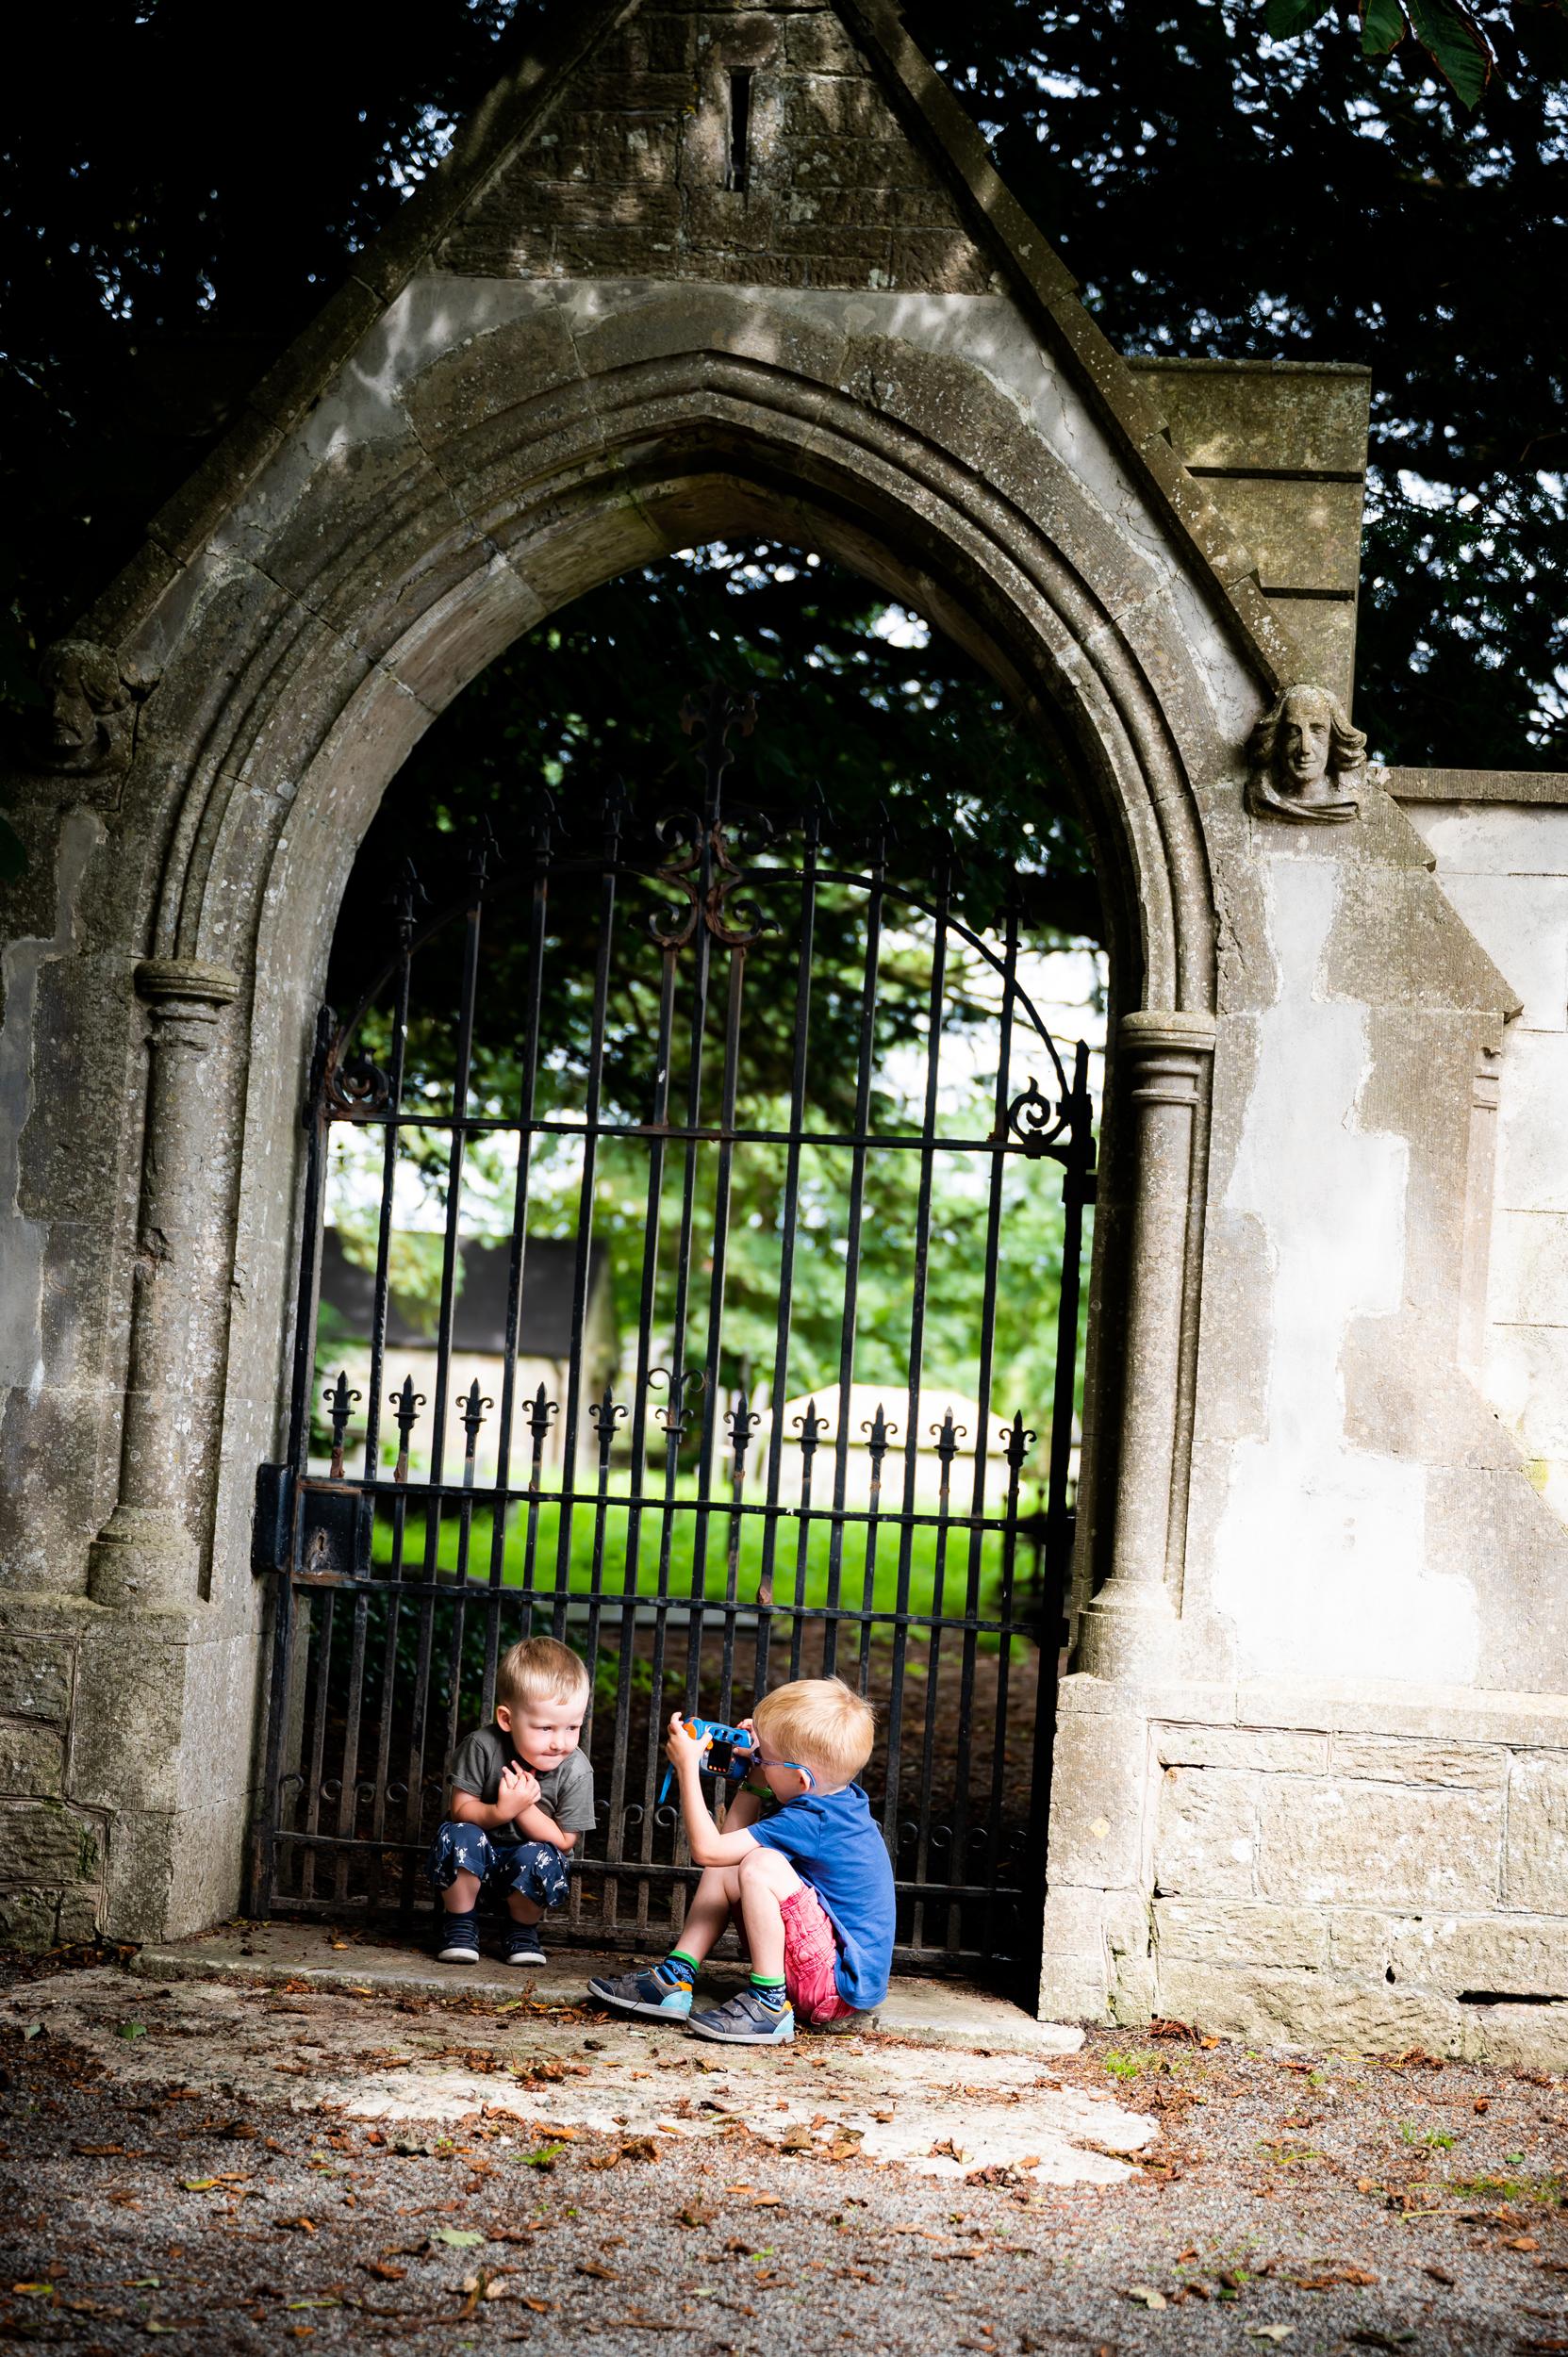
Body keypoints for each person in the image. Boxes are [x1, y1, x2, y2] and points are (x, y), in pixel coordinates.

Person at [587, 1676, 896, 2044]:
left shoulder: (811, 1820)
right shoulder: (836, 1800)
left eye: (765, 1758)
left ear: (800, 1779)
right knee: (742, 1860)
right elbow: (724, 1853)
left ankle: (768, 2005)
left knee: (760, 1863)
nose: (759, 1759)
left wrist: (688, 1768)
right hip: (828, 1974)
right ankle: (675, 1976)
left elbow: (706, 1850)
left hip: (834, 1986)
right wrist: (758, 1775)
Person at [426, 1636, 596, 1966]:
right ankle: (460, 1923)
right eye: (545, 1728)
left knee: (541, 1856)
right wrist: (502, 1810)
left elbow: (564, 1840)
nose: (560, 1742)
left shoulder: (576, 1768)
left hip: (524, 1871)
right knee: (458, 1833)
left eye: (573, 1727)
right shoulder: (482, 1746)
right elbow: (460, 1809)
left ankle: (521, 1930)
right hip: (476, 1861)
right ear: (507, 1719)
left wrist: (523, 1808)